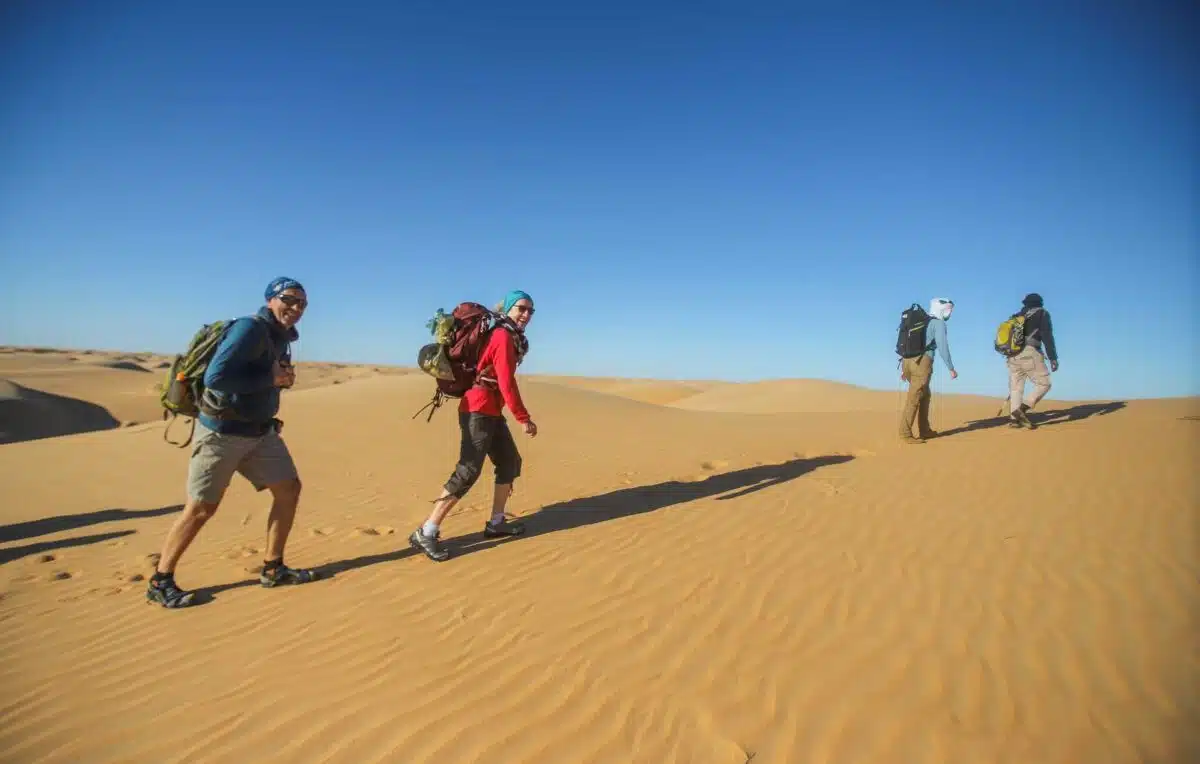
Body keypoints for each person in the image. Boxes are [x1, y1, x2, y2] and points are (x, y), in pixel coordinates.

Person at [146, 277, 318, 608]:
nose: (296, 308)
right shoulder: (249, 329)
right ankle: (160, 579)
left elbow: (260, 379)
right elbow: (216, 377)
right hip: (221, 434)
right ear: (270, 300)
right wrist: (271, 378)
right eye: (289, 300)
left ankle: (273, 568)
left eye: (302, 304)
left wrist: (280, 381)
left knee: (289, 490)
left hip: (260, 434)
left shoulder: (280, 338)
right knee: (201, 509)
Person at [409, 290, 538, 562]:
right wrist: (523, 417)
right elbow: (506, 381)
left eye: (530, 310)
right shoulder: (503, 336)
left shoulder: (510, 335)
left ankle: (496, 523)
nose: (526, 314)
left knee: (509, 462)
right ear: (509, 309)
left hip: (490, 409)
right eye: (521, 308)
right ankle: (427, 530)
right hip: (478, 408)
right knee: (468, 469)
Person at [899, 297, 958, 443]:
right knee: (914, 398)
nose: (950, 314)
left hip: (907, 362)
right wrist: (951, 368)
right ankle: (905, 434)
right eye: (949, 310)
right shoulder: (938, 324)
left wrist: (903, 370)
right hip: (922, 363)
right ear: (943, 310)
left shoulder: (922, 322)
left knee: (925, 395)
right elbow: (943, 347)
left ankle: (925, 430)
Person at [1007, 292, 1058, 428]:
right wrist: (1053, 357)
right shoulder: (1042, 314)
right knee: (1044, 384)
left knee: (1016, 389)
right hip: (1030, 352)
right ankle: (1022, 410)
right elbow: (1047, 336)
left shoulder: (1017, 316)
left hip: (1012, 355)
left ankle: (1014, 420)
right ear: (1040, 303)